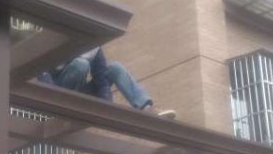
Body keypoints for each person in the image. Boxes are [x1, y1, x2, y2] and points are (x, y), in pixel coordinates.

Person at [40, 47, 175, 118]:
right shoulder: (62, 38)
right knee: (81, 64)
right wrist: (52, 100)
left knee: (115, 67)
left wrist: (108, 105)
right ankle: (65, 105)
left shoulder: (95, 47)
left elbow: (101, 79)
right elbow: (42, 70)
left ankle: (145, 107)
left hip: (79, 94)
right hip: (56, 94)